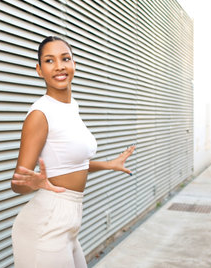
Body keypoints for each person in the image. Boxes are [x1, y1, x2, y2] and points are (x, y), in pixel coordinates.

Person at [10, 35, 136, 268]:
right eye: (49, 61)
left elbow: (72, 165)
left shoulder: (71, 106)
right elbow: (17, 183)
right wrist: (35, 183)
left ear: (74, 64)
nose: (59, 66)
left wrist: (108, 164)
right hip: (46, 224)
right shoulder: (40, 114)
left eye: (65, 58)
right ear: (39, 70)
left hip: (69, 223)